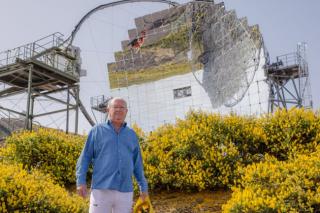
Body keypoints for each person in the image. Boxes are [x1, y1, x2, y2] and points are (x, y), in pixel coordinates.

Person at [76, 97, 148, 213]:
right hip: (101, 189)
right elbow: (85, 158)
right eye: (115, 107)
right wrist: (81, 182)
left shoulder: (132, 135)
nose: (118, 110)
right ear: (108, 110)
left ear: (126, 111)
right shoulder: (96, 131)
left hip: (125, 191)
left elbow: (137, 163)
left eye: (122, 107)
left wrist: (143, 187)